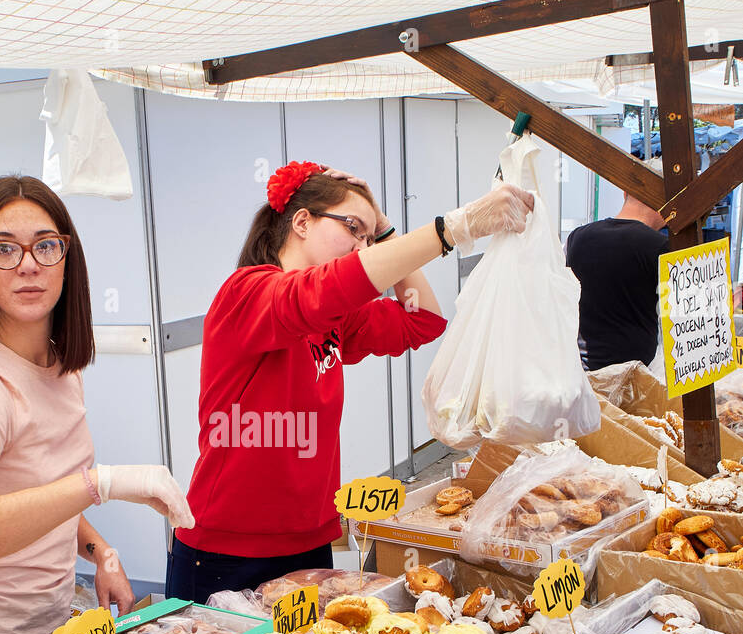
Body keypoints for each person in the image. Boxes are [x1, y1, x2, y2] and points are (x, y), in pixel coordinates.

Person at [165, 161, 534, 605]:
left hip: (308, 539)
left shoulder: (336, 316)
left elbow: (425, 321)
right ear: (302, 221)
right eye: (352, 228)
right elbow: (326, 289)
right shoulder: (248, 293)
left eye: (367, 237)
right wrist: (449, 230)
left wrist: (387, 230)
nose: (362, 246)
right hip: (226, 547)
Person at [0, 174, 192, 634]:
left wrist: (100, 550)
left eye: (45, 246)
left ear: (67, 259)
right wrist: (102, 483)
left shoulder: (62, 365)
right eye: (4, 249)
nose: (27, 265)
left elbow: (36, 494)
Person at [565, 163, 668, 371]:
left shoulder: (577, 237)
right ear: (663, 200)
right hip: (636, 380)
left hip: (580, 372)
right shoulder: (661, 247)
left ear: (624, 192)